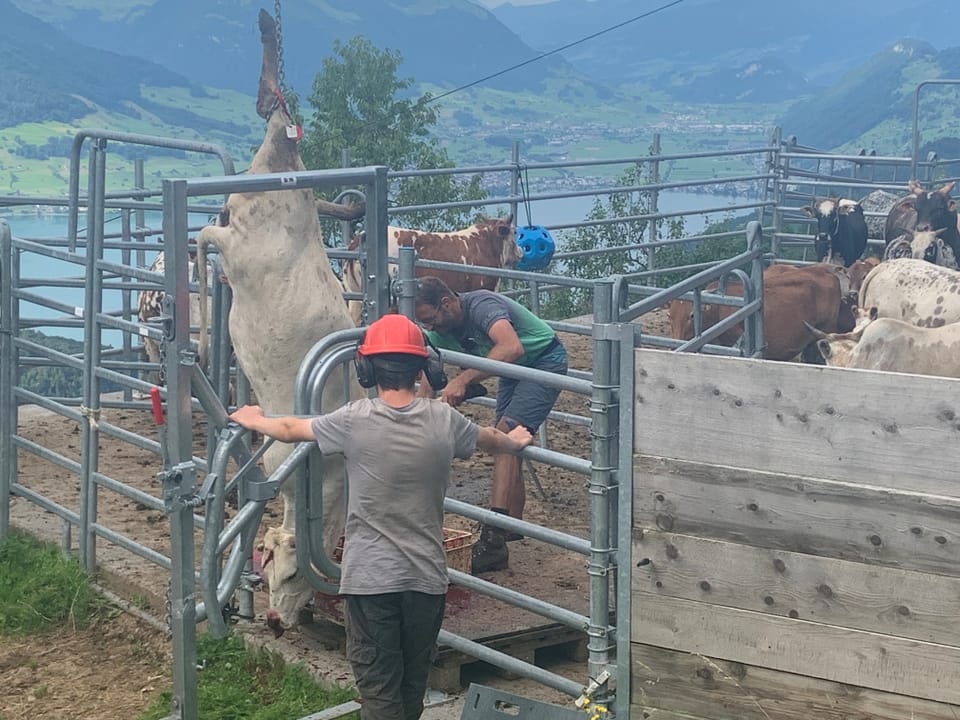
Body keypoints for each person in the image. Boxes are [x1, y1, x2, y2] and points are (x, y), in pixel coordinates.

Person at [229, 313, 532, 720]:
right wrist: (513, 442)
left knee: (378, 690)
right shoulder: (446, 421)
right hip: (425, 579)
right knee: (411, 686)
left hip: (370, 580)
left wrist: (253, 419)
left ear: (366, 367)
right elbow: (491, 439)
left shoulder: (353, 420)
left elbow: (288, 428)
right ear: (424, 367)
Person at [413, 276, 568, 574]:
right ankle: (512, 525)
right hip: (511, 370)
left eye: (431, 319)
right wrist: (422, 413)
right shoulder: (437, 328)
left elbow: (511, 347)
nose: (430, 328)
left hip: (542, 359)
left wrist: (463, 380)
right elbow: (428, 375)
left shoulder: (482, 305)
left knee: (506, 434)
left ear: (446, 303)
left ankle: (494, 538)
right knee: (507, 439)